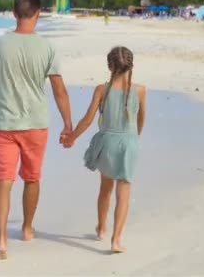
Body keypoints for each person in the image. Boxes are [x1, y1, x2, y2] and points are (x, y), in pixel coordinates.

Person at [0, 0, 72, 260]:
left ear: (13, 13)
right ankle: (27, 228)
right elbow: (59, 90)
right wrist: (68, 123)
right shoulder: (47, 47)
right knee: (32, 178)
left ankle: (0, 242)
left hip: (5, 123)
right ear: (38, 14)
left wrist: (8, 94)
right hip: (36, 124)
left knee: (4, 180)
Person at [63, 46, 146, 253]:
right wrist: (134, 138)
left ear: (109, 65)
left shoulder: (102, 89)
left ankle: (101, 228)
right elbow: (140, 118)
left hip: (107, 143)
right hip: (129, 143)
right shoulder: (140, 90)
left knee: (105, 190)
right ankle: (116, 239)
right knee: (124, 193)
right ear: (131, 65)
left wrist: (71, 137)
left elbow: (88, 120)